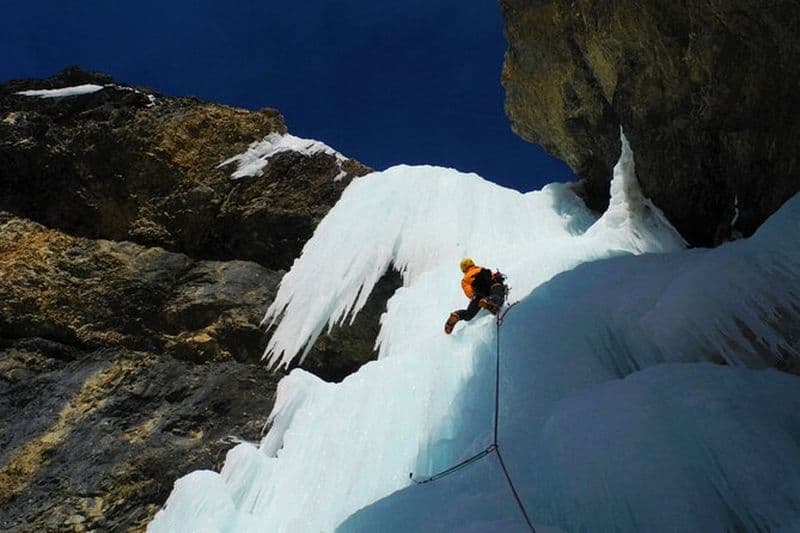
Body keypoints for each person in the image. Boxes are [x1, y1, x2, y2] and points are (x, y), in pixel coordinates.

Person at [444, 258, 506, 334]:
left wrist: (475, 298)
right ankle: (489, 301)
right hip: (492, 285)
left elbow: (469, 292)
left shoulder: (465, 279)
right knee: (498, 297)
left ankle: (457, 315)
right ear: (472, 264)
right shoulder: (481, 269)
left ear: (463, 270)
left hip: (479, 293)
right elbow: (495, 277)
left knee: (469, 314)